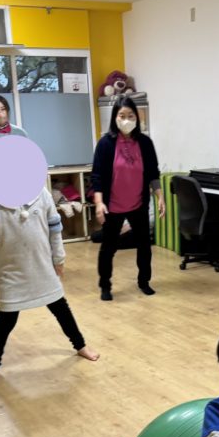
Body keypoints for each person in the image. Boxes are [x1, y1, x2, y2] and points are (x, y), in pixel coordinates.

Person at [0, 188, 100, 384]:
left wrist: (59, 259)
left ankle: (80, 345)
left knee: (61, 308)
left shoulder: (42, 194)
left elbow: (55, 229)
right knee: (6, 318)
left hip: (43, 266)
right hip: (11, 272)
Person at [91, 96, 165, 301]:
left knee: (144, 246)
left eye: (130, 116)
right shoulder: (105, 144)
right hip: (113, 205)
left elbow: (153, 173)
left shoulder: (145, 143)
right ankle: (105, 285)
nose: (126, 120)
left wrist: (160, 197)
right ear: (114, 118)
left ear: (136, 118)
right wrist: (99, 202)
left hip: (138, 203)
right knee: (108, 248)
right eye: (121, 115)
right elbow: (97, 176)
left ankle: (144, 281)